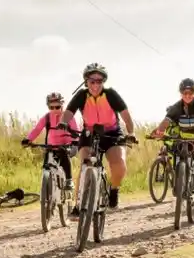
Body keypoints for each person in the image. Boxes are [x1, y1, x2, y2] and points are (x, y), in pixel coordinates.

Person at [58, 63, 137, 214]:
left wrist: (131, 132)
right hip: (90, 133)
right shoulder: (82, 95)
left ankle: (113, 189)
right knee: (85, 165)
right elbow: (69, 111)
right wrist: (63, 122)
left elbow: (126, 115)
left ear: (103, 82)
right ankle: (78, 204)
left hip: (112, 133)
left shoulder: (111, 94)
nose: (95, 84)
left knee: (119, 164)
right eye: (92, 81)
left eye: (99, 81)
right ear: (86, 81)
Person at [150, 78, 194, 205]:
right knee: (180, 161)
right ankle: (181, 183)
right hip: (184, 140)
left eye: (190, 93)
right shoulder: (177, 106)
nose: (187, 95)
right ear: (180, 93)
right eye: (184, 93)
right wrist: (160, 131)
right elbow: (166, 121)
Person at [22, 92, 79, 190]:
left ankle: (69, 180)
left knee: (63, 153)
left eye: (57, 107)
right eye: (51, 107)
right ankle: (47, 189)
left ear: (62, 105)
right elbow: (37, 129)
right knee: (46, 166)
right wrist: (28, 139)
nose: (54, 110)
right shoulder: (47, 117)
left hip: (67, 145)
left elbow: (75, 130)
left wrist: (75, 143)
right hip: (52, 145)